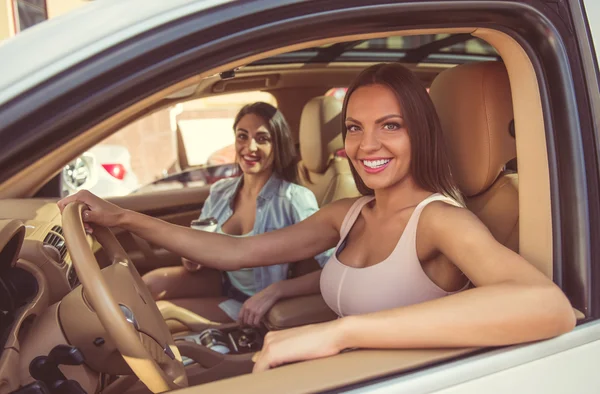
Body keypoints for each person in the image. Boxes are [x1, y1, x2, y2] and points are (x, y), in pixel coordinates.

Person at [58, 63, 575, 374]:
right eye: (354, 128)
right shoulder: (347, 215)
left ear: (421, 133)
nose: (366, 145)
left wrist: (340, 332)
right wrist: (125, 218)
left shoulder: (441, 221)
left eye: (389, 126)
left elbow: (548, 307)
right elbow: (236, 252)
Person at [144, 102, 331, 325]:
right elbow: (199, 245)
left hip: (250, 301)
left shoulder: (294, 198)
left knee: (159, 314)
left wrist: (277, 290)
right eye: (242, 136)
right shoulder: (221, 191)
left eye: (262, 139)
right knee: (148, 285)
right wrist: (193, 257)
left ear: (278, 144)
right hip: (220, 281)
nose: (249, 147)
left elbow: (335, 269)